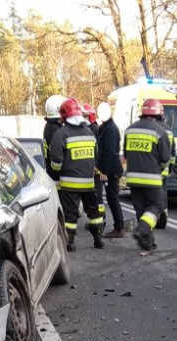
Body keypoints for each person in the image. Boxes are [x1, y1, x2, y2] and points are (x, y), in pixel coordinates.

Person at [49, 98, 104, 251]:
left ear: (64, 116)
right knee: (94, 212)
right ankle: (99, 239)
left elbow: (56, 162)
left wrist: (57, 168)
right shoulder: (89, 132)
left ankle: (70, 242)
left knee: (70, 214)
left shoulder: (61, 134)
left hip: (70, 183)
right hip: (88, 182)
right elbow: (95, 155)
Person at [123, 98, 172, 251]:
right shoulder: (160, 131)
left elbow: (125, 154)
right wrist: (159, 169)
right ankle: (142, 230)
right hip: (152, 178)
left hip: (132, 179)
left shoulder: (130, 130)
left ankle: (147, 243)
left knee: (141, 210)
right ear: (159, 115)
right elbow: (165, 159)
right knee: (156, 206)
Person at [96, 102, 125, 238]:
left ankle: (119, 227)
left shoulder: (110, 129)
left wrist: (104, 172)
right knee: (111, 198)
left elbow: (108, 152)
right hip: (110, 169)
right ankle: (118, 226)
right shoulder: (105, 127)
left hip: (111, 170)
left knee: (113, 198)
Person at [82, 103, 105, 227]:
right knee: (94, 195)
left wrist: (97, 166)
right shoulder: (91, 128)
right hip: (91, 167)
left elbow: (97, 150)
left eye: (85, 115)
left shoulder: (94, 129)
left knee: (97, 195)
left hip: (96, 167)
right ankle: (98, 220)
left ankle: (100, 220)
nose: (82, 117)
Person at [43, 94, 66, 183]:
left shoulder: (50, 126)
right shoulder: (54, 129)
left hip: (53, 175)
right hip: (57, 178)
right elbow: (57, 153)